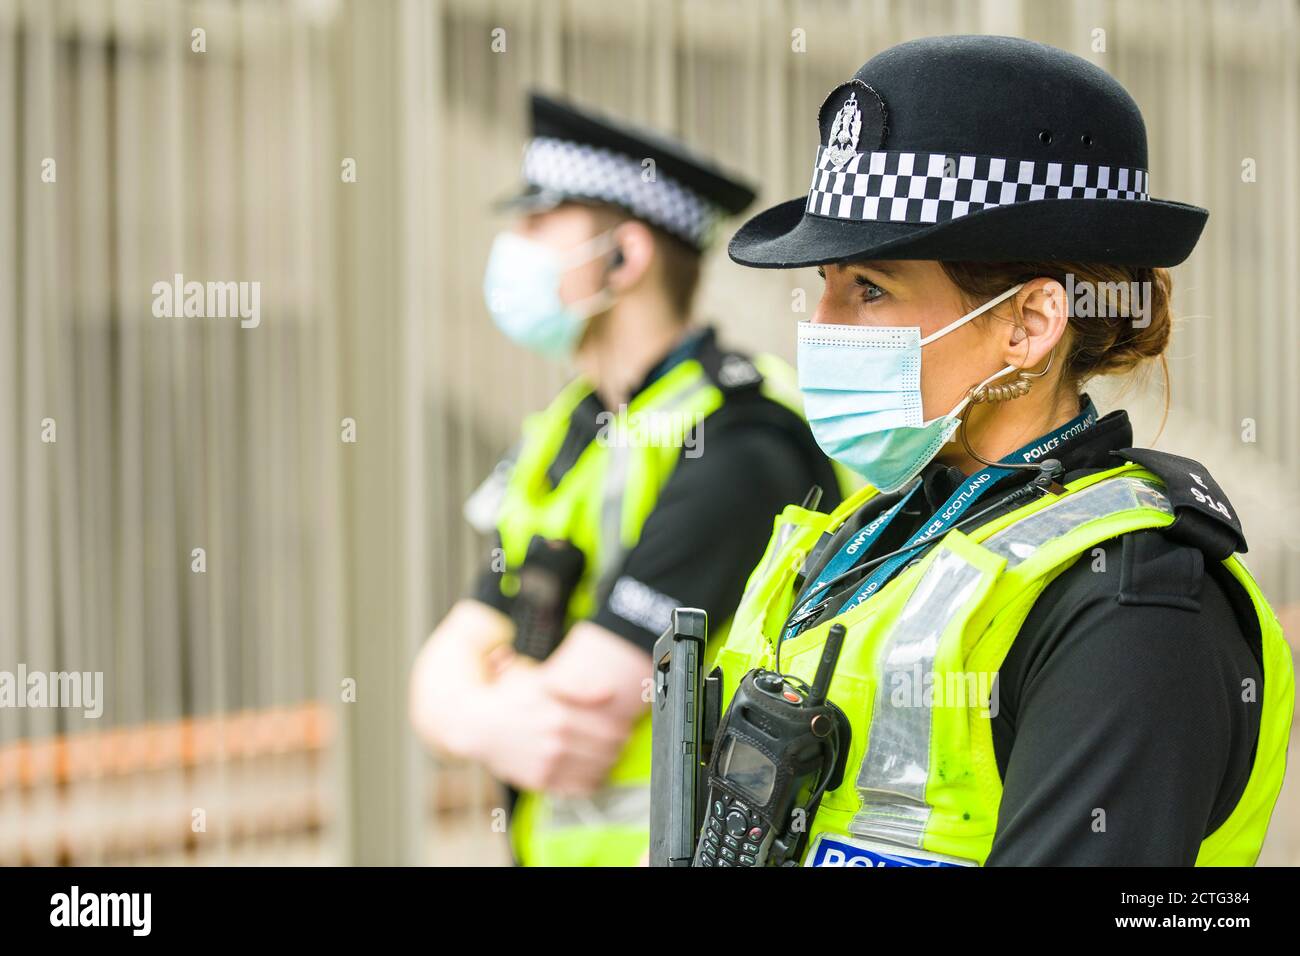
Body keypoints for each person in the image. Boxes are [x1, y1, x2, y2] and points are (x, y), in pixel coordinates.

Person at [698, 35, 1293, 866]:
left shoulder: (1134, 602)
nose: (820, 328)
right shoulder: (875, 535)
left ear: (1029, 325)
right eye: (824, 285)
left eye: (870, 289)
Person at [409, 92, 843, 866]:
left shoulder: (742, 437)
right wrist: (485, 710)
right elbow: (436, 677)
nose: (512, 246)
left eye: (539, 223)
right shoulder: (568, 428)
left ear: (625, 258)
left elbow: (578, 716)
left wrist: (489, 696)